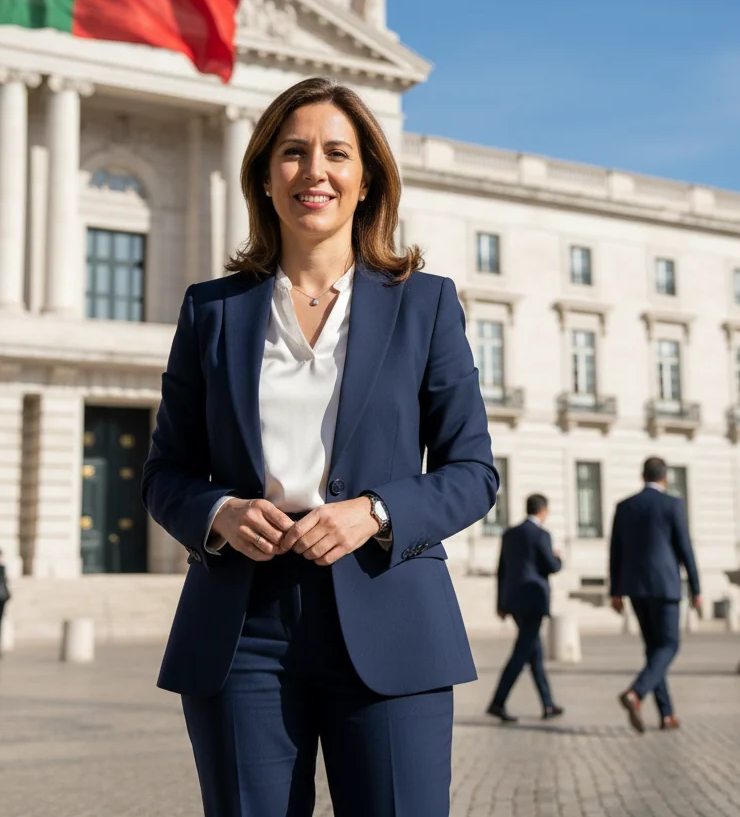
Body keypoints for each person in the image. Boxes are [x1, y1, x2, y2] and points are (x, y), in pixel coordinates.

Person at [143, 77, 498, 817]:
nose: (315, 171)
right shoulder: (211, 312)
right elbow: (164, 473)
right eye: (293, 153)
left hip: (390, 611)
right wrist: (219, 512)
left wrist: (374, 511)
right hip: (243, 629)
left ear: (366, 179)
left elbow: (472, 473)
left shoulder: (426, 304)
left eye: (336, 153)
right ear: (265, 176)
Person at [609, 456, 701, 733]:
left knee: (653, 650)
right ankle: (636, 693)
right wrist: (696, 587)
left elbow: (615, 551)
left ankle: (667, 714)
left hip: (635, 587)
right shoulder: (672, 504)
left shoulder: (625, 506)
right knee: (669, 645)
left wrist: (615, 590)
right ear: (665, 478)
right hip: (665, 585)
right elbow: (685, 547)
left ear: (642, 475)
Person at [487, 493, 563, 722]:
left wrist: (500, 604)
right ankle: (497, 702)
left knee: (534, 653)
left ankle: (548, 704)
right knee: (522, 653)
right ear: (542, 511)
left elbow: (501, 570)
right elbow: (550, 566)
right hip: (534, 602)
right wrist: (558, 558)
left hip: (514, 601)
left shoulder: (510, 534)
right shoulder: (542, 535)